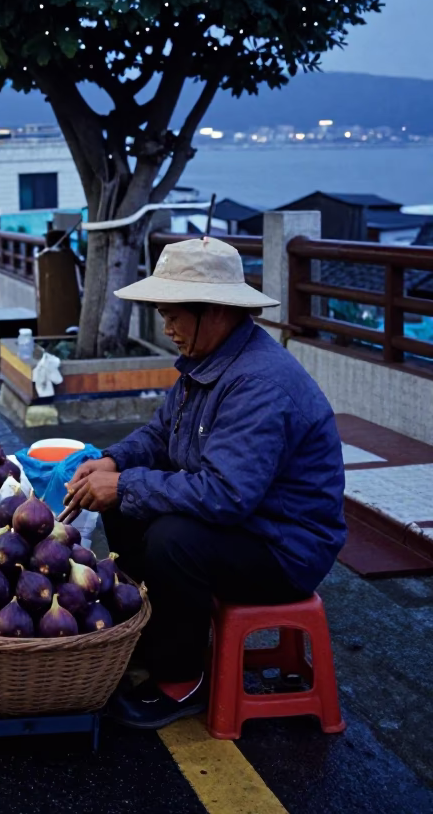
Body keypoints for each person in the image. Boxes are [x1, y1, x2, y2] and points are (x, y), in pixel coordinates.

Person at [63, 236, 346, 730]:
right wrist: (112, 461)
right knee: (123, 501)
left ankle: (182, 678)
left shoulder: (259, 383)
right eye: (163, 314)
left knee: (173, 539)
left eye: (173, 315)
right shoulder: (207, 362)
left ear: (215, 312)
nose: (167, 328)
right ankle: (154, 634)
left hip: (286, 545)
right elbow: (158, 433)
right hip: (249, 524)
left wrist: (125, 485)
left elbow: (225, 495)